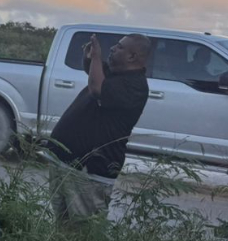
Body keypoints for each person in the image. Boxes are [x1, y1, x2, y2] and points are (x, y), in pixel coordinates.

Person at [46, 33, 152, 223]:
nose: (112, 48)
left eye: (119, 47)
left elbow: (97, 88)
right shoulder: (115, 73)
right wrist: (89, 58)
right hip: (66, 164)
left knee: (83, 231)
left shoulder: (135, 85)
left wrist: (96, 56)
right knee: (62, 226)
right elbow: (93, 72)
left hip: (89, 173)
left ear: (132, 56)